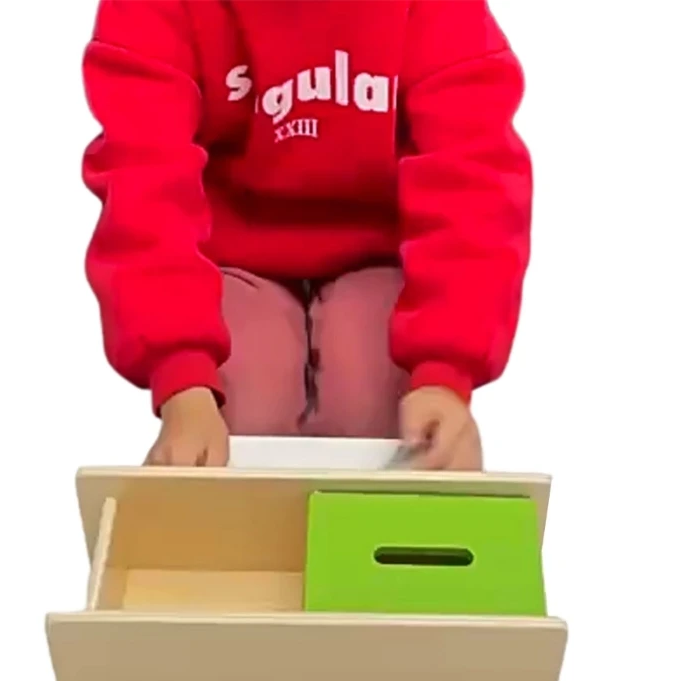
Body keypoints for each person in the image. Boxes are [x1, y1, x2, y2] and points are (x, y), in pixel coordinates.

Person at [81, 0, 532, 470]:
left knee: (391, 419)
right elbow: (144, 186)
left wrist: (443, 374)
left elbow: (473, 182)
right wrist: (183, 380)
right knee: (237, 422)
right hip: (230, 259)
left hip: (381, 257)